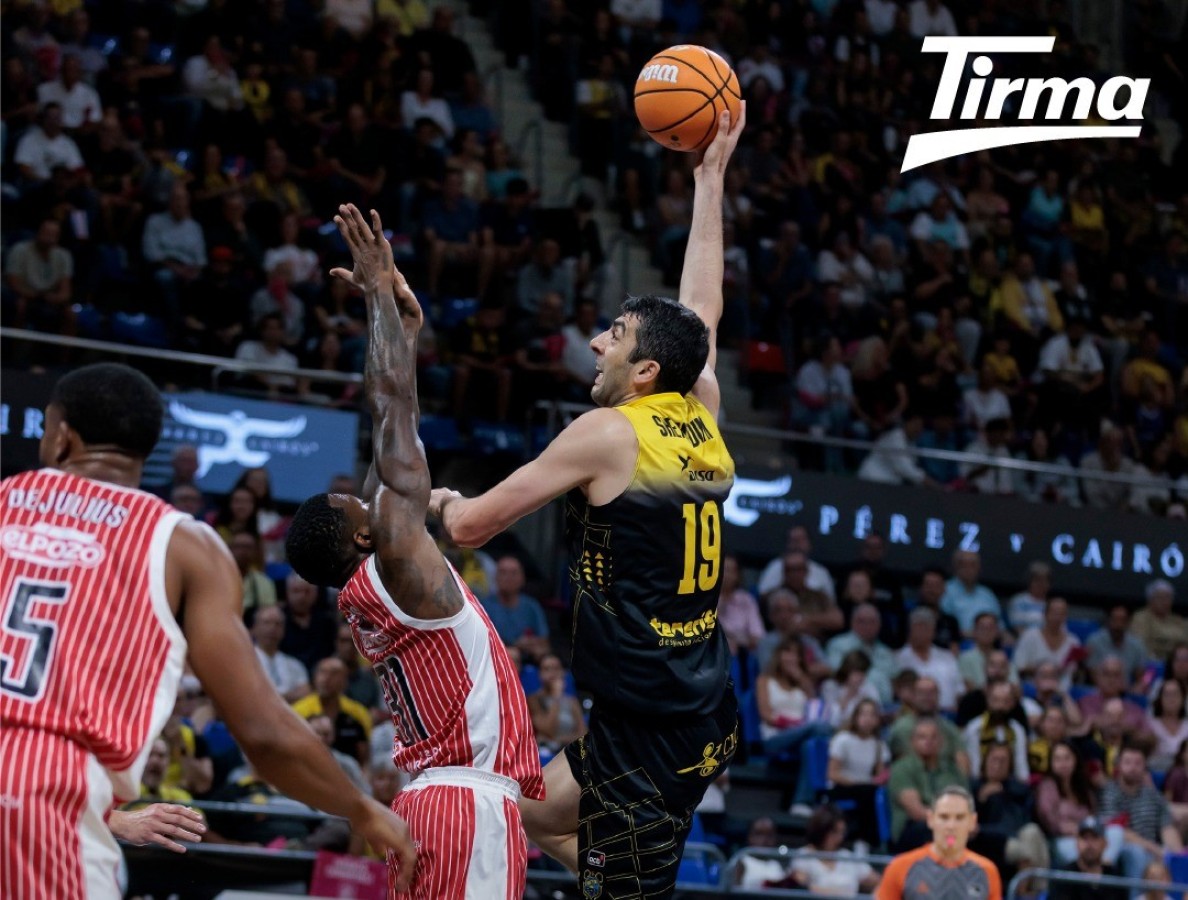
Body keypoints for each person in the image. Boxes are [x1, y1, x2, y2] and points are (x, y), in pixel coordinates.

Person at [429, 105, 748, 898]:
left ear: (645, 372)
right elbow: (700, 311)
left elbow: (473, 526)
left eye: (615, 333)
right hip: (692, 704)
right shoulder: (700, 405)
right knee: (531, 811)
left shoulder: (609, 432)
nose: (599, 342)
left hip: (651, 729)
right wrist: (710, 178)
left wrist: (440, 501)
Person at [0, 363, 416, 900]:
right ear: (146, 451)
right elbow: (262, 733)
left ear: (60, 436)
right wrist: (362, 808)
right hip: (45, 802)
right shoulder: (184, 546)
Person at [282, 204, 543, 898]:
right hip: (467, 804)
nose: (370, 498)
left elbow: (397, 438)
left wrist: (403, 333)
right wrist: (377, 294)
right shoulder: (396, 563)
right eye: (359, 504)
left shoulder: (375, 579)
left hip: (426, 805)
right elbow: (390, 409)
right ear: (364, 535)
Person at [876, 786, 1002, 900]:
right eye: (944, 817)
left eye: (959, 817)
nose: (951, 826)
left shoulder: (987, 871)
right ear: (930, 819)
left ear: (972, 821)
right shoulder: (900, 868)